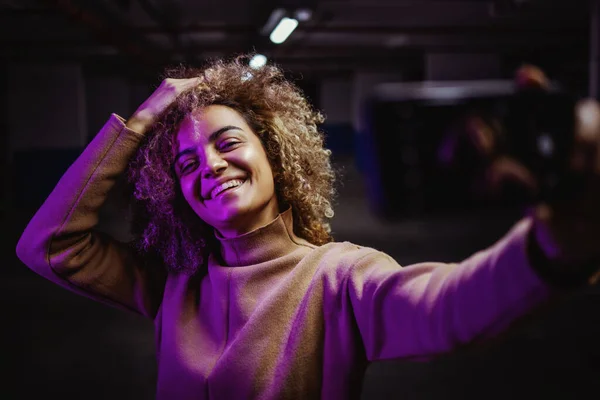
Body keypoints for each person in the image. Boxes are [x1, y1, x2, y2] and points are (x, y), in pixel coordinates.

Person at [16, 56, 600, 399]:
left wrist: (553, 247)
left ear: (273, 154)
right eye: (187, 163)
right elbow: (49, 244)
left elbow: (446, 309)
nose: (210, 166)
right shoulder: (172, 284)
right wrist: (139, 123)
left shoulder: (339, 277)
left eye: (228, 143)